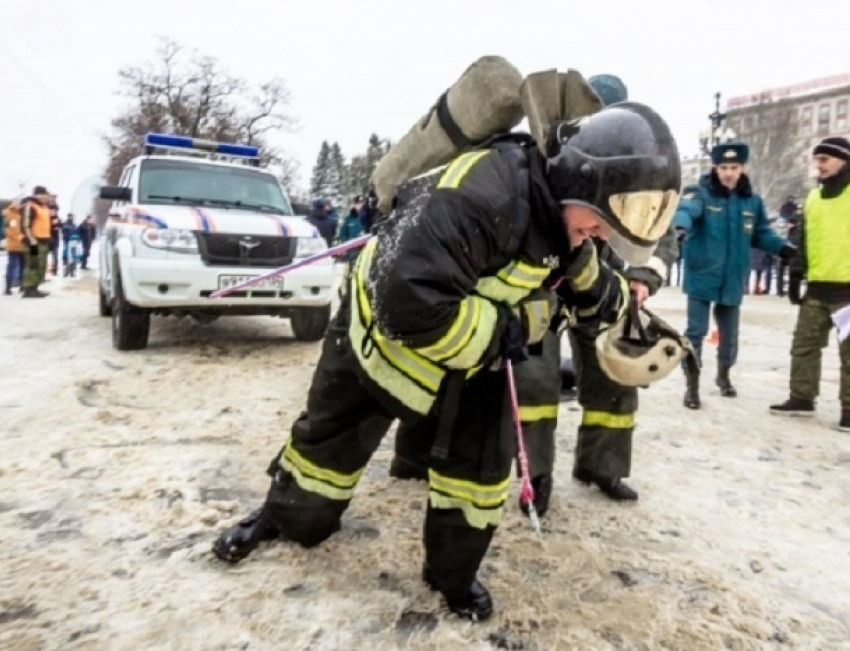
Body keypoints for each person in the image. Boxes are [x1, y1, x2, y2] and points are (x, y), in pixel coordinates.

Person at [212, 101, 682, 621]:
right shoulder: (482, 195)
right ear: (581, 181)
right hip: (382, 340)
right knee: (325, 457)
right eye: (601, 219)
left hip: (476, 355)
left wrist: (624, 309)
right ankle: (285, 516)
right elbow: (407, 305)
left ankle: (451, 576)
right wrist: (517, 325)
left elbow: (597, 286)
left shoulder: (568, 225)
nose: (601, 232)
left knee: (478, 474)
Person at [392, 74, 679, 508]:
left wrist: (643, 279)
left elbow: (663, 237)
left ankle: (604, 467)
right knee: (534, 384)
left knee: (613, 388)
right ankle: (534, 475)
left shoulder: (642, 174)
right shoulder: (562, 159)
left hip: (605, 292)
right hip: (543, 286)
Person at [674, 141, 792, 409]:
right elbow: (685, 211)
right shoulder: (700, 193)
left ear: (742, 168)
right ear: (715, 167)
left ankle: (724, 376)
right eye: (723, 167)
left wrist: (782, 247)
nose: (728, 173)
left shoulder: (752, 200)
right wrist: (680, 227)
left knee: (730, 334)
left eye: (734, 167)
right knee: (696, 331)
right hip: (702, 274)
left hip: (733, 277)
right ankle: (692, 385)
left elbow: (761, 232)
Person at [770, 137, 850, 431]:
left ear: (843, 159)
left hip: (848, 291)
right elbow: (804, 240)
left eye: (825, 159)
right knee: (803, 346)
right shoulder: (814, 198)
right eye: (817, 159)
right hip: (817, 287)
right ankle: (802, 397)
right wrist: (795, 274)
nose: (819, 165)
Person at [20, 186, 52, 298]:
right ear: (36, 195)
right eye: (42, 195)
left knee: (41, 265)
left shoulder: (44, 208)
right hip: (33, 242)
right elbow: (25, 225)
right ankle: (28, 288)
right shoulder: (30, 206)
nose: (44, 197)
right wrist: (31, 240)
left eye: (45, 195)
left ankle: (34, 287)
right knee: (33, 264)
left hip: (43, 241)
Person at [3, 199, 25, 295]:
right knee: (12, 265)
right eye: (16, 202)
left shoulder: (21, 213)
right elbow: (11, 230)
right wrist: (22, 238)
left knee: (23, 266)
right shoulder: (9, 213)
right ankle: (8, 287)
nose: (18, 204)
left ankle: (22, 285)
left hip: (23, 245)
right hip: (13, 245)